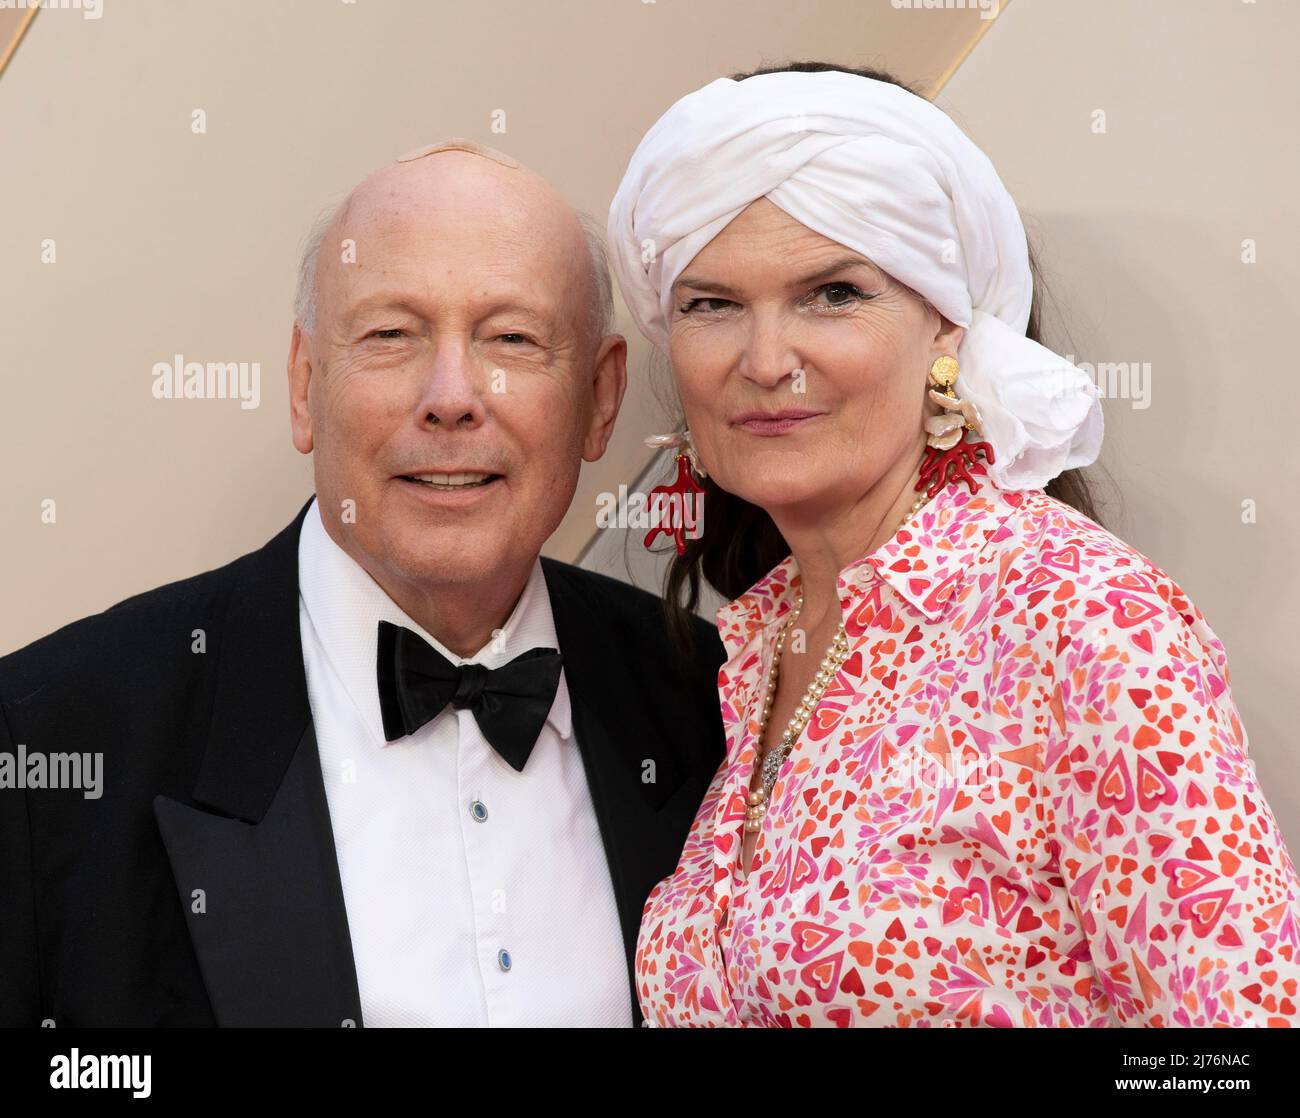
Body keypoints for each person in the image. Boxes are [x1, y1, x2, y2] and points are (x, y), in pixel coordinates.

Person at [607, 63, 1300, 1027]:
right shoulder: (754, 644)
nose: (764, 361)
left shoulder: (1086, 620)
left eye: (832, 293)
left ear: (947, 323)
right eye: (712, 304)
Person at [0, 140, 726, 1027]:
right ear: (306, 386)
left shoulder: (712, 700)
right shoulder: (50, 736)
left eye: (513, 338)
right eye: (391, 335)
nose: (453, 395)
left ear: (601, 400)